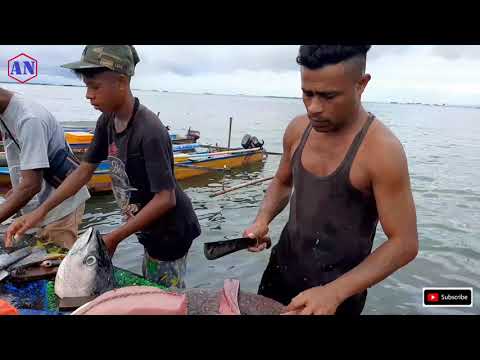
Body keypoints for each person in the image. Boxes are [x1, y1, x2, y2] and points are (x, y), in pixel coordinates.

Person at [243, 45, 419, 315]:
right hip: (280, 271)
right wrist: (262, 219)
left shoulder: (382, 151)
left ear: (361, 84)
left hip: (339, 293)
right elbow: (282, 182)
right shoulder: (297, 129)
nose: (313, 108)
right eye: (307, 93)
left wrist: (334, 292)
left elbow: (404, 243)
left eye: (328, 96)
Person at [6, 45, 201, 288]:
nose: (89, 95)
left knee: (164, 292)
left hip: (171, 230)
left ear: (121, 81)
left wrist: (116, 236)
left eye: (95, 87)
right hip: (146, 227)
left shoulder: (149, 131)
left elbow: (166, 199)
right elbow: (83, 171)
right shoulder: (107, 121)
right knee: (149, 283)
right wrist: (40, 212)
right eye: (87, 87)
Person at [0, 87, 89, 249]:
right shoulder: (6, 111)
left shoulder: (29, 119)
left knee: (58, 265)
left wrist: (20, 192)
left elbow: (31, 185)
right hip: (35, 207)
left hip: (60, 207)